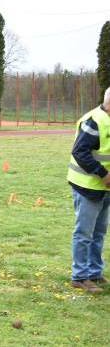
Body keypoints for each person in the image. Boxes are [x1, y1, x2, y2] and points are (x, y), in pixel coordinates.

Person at [67, 87, 110, 294]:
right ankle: (80, 276)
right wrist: (103, 174)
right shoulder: (94, 121)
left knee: (99, 232)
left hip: (104, 188)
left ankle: (94, 272)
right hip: (87, 187)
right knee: (84, 233)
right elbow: (79, 152)